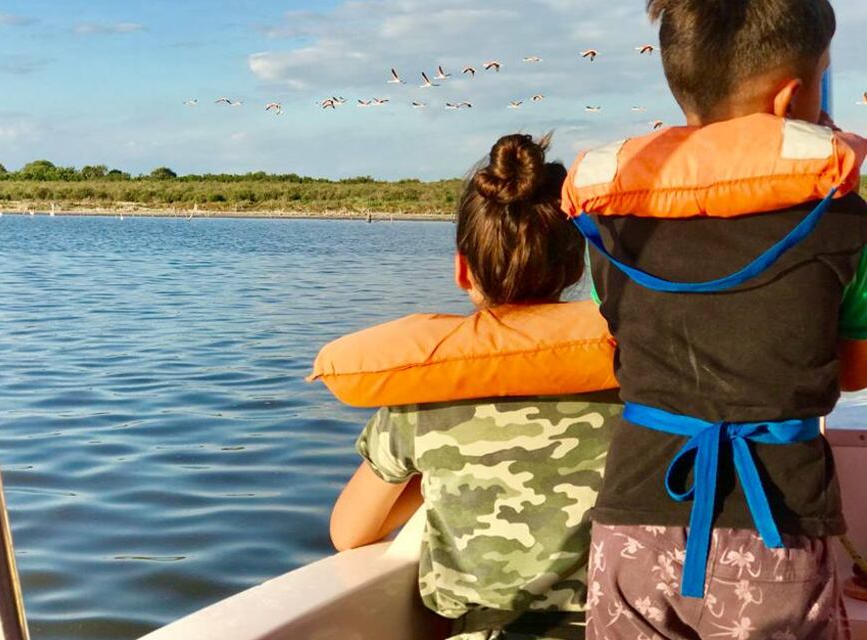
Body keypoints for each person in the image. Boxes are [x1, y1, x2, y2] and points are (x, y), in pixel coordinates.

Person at [558, 1, 867, 638]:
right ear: (790, 98)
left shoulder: (609, 223)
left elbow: (619, 344)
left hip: (631, 520)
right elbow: (855, 374)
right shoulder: (847, 223)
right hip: (775, 526)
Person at [324, 133, 621, 640]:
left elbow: (348, 532)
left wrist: (437, 468)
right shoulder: (635, 383)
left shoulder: (424, 398)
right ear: (576, 266)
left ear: (463, 270)